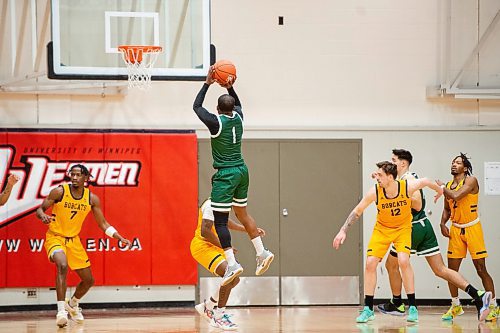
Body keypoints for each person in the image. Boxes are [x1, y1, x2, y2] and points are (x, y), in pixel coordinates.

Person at [377, 149, 492, 321]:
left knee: (391, 265)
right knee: (440, 270)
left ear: (402, 163)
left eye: (393, 160)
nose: (390, 163)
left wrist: (396, 198)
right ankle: (478, 295)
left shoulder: (407, 179)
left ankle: (398, 303)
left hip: (412, 228)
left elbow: (416, 204)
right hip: (425, 227)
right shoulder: (402, 179)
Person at [333, 161, 444, 323]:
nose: (376, 178)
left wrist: (439, 190)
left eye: (380, 175)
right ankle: (368, 309)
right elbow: (357, 210)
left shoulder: (406, 187)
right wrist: (343, 230)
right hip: (382, 230)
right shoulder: (376, 191)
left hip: (402, 229)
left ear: (391, 177)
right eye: (376, 175)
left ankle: (412, 306)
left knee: (403, 261)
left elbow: (426, 181)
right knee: (370, 263)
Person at [193, 67, 274, 286]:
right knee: (243, 214)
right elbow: (238, 103)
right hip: (242, 170)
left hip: (226, 174)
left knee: (220, 221)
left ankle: (232, 264)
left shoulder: (215, 122)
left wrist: (208, 82)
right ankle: (262, 252)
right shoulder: (239, 117)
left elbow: (196, 106)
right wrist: (229, 85)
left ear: (218, 108)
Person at [35, 164, 132, 328]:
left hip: (74, 241)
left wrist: (119, 237)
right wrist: (43, 215)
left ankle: (72, 304)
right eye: (72, 174)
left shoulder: (91, 199)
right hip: (56, 237)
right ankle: (61, 312)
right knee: (62, 265)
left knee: (88, 281)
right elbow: (40, 209)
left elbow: (103, 223)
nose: (74, 177)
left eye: (78, 175)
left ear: (86, 177)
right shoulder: (60, 191)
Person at [437, 153, 498, 322]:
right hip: (456, 229)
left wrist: (442, 187)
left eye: (458, 162)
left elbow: (456, 196)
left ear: (465, 167)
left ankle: (493, 306)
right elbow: (447, 208)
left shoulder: (471, 181)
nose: (454, 164)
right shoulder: (449, 185)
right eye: (453, 162)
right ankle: (456, 305)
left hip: (472, 228)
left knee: (481, 269)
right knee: (451, 271)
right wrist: (442, 223)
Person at [192, 198, 266, 330]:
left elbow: (226, 223)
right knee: (230, 275)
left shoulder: (222, 203)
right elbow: (205, 231)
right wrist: (226, 246)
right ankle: (218, 316)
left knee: (234, 279)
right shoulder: (210, 204)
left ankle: (207, 306)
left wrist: (248, 230)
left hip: (214, 246)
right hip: (203, 246)